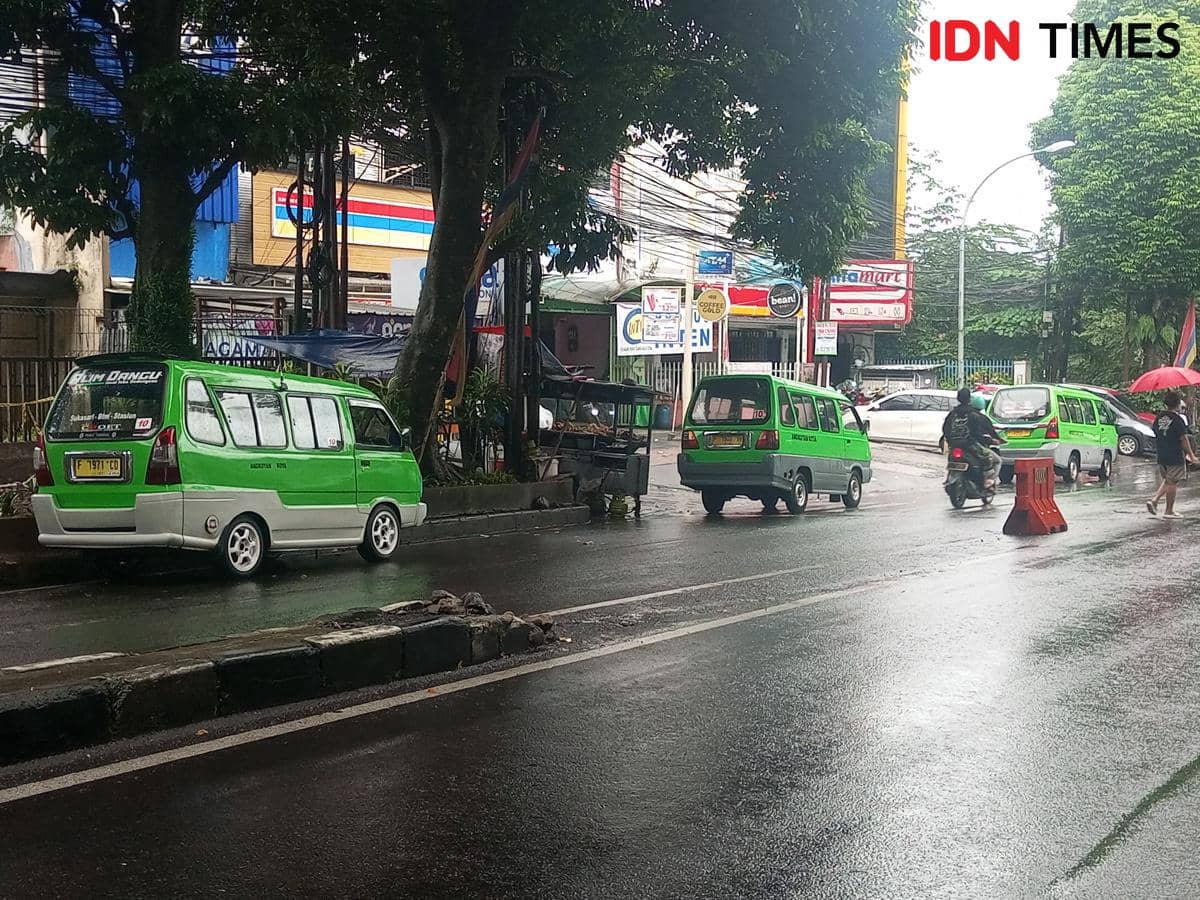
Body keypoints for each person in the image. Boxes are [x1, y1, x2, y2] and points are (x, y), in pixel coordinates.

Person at [1146, 390, 1197, 518]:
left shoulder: (1159, 417)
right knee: (1172, 482)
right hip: (1174, 455)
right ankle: (1169, 511)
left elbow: (1155, 431)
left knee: (1168, 480)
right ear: (1178, 403)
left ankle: (1155, 501)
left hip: (1162, 454)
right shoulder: (1177, 419)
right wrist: (1191, 455)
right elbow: (1184, 439)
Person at [943, 387, 1003, 488]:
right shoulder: (974, 415)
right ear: (969, 399)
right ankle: (988, 481)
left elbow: (945, 429)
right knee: (996, 460)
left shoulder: (952, 414)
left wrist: (950, 441)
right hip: (970, 445)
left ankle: (949, 478)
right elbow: (977, 434)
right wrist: (991, 440)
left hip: (954, 445)